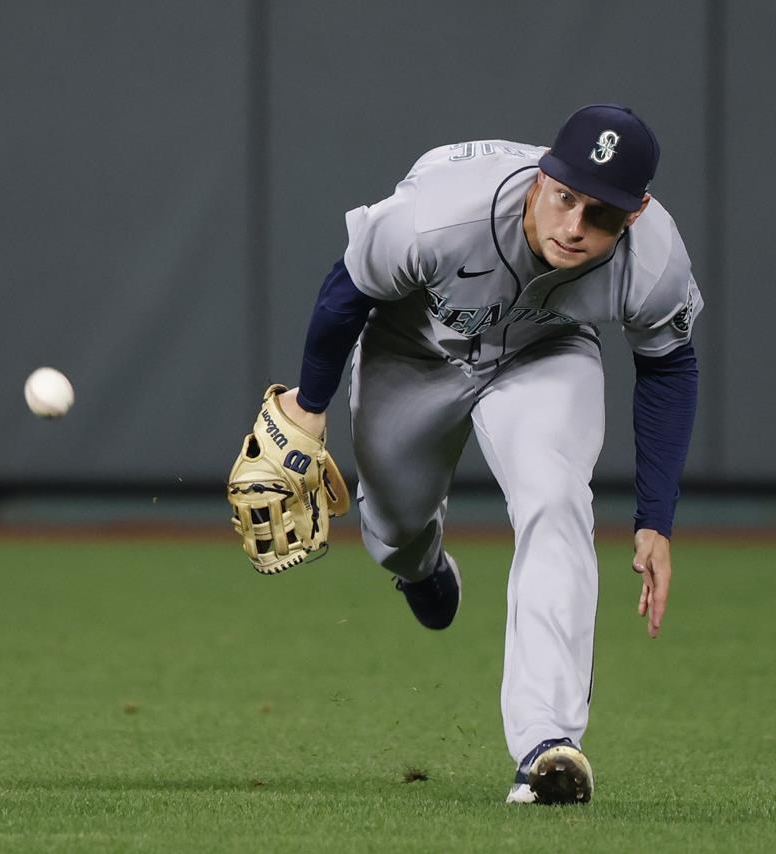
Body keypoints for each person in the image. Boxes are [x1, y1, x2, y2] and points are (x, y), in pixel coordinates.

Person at [276, 104, 701, 805]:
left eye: (601, 215)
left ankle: (547, 745)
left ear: (637, 212)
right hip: (416, 343)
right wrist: (309, 411)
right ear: (542, 177)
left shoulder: (653, 258)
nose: (574, 227)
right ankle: (418, 563)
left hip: (547, 351)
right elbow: (348, 288)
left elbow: (668, 367)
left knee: (556, 496)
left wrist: (656, 519)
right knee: (393, 523)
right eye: (565, 197)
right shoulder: (439, 214)